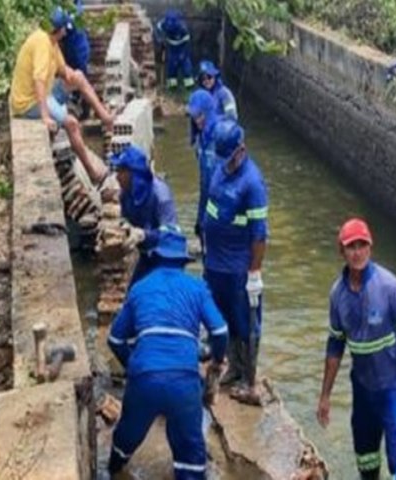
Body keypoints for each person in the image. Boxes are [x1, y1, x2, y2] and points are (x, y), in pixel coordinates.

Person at [316, 218, 396, 479]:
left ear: (370, 248)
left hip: (395, 387)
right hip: (363, 389)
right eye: (351, 247)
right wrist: (325, 396)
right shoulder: (338, 295)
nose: (357, 252)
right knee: (366, 458)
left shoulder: (389, 287)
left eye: (362, 245)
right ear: (342, 251)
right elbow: (335, 346)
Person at [107, 227, 228, 480]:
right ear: (183, 262)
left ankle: (113, 470)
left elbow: (115, 339)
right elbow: (220, 330)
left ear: (154, 258)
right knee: (191, 457)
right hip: (184, 381)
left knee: (124, 441)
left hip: (144, 379)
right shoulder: (197, 288)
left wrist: (135, 367)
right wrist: (216, 359)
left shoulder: (140, 289)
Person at [10, 6, 114, 186]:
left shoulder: (52, 42)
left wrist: (73, 78)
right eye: (64, 29)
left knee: (79, 76)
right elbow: (39, 81)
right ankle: (92, 172)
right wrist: (45, 116)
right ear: (57, 30)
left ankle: (105, 117)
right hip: (28, 103)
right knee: (72, 123)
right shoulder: (42, 42)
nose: (66, 32)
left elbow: (63, 70)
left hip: (45, 92)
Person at [202, 118, 268, 405]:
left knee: (246, 324)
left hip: (238, 267)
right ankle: (233, 367)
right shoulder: (219, 169)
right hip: (215, 263)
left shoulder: (252, 184)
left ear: (241, 150)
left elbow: (259, 234)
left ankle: (248, 379)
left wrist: (254, 271)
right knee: (223, 318)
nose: (225, 163)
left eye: (229, 158)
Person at [110, 144, 178, 285]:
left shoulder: (160, 195)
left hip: (167, 256)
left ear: (133, 174)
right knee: (134, 295)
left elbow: (171, 236)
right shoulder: (126, 194)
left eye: (121, 172)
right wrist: (124, 229)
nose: (117, 177)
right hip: (146, 254)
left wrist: (144, 235)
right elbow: (126, 218)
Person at [186, 89, 222, 248]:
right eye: (194, 117)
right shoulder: (201, 140)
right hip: (206, 201)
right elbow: (204, 180)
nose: (197, 121)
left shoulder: (222, 135)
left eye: (200, 115)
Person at [156, 9, 195, 89]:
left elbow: (187, 42)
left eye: (172, 22)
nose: (169, 24)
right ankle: (172, 87)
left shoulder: (183, 29)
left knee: (187, 69)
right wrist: (160, 39)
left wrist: (183, 54)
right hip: (172, 50)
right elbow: (158, 28)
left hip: (182, 50)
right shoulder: (163, 24)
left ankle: (189, 88)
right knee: (171, 70)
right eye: (168, 21)